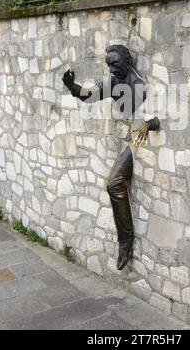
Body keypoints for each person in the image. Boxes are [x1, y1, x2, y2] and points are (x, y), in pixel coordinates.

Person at [62, 44, 160, 270]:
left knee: (114, 182)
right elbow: (88, 96)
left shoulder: (141, 86)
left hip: (138, 139)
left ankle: (125, 241)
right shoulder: (114, 81)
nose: (111, 69)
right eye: (108, 65)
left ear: (126, 62)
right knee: (113, 184)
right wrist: (71, 86)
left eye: (114, 64)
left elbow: (158, 116)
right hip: (132, 138)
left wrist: (150, 123)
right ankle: (125, 240)